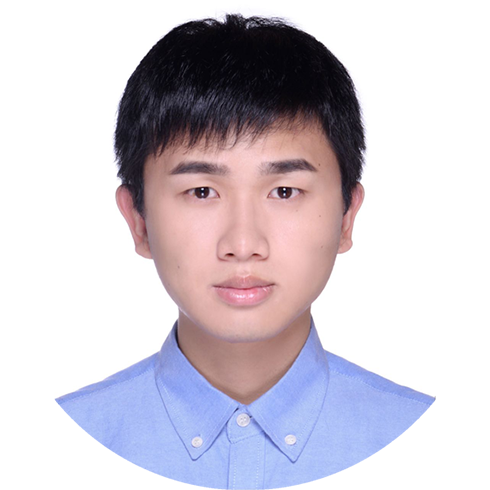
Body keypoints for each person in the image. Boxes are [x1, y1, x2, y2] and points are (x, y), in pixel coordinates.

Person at [56, 14, 434, 487]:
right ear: (138, 220)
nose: (242, 245)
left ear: (346, 216)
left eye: (284, 192)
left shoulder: (440, 448)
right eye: (201, 192)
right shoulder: (47, 450)